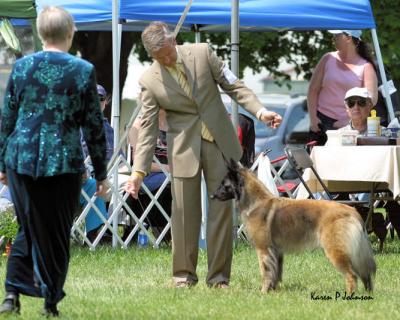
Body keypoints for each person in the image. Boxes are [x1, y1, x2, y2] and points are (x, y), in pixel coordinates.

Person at [124, 21, 282, 288]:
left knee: (221, 213)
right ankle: (183, 276)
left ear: (173, 40)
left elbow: (235, 86)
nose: (165, 59)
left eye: (167, 52)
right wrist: (138, 172)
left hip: (218, 144)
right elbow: (148, 129)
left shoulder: (202, 53)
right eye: (158, 57)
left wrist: (260, 111)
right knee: (184, 214)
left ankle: (219, 278)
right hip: (184, 149)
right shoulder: (149, 80)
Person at [0, 6, 107, 316]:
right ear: (70, 33)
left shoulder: (21, 67)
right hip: (63, 161)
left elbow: (7, 118)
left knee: (29, 227)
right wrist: (100, 172)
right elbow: (93, 125)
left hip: (22, 160)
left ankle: (11, 294)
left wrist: (2, 165)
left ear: (41, 33)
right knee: (58, 230)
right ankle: (49, 301)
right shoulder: (83, 70)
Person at [307, 29, 378, 145]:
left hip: (348, 128)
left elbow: (371, 99)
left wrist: (349, 121)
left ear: (348, 38)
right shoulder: (327, 58)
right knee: (314, 162)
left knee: (342, 161)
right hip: (320, 123)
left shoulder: (366, 66)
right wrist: (313, 118)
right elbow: (312, 90)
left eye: (336, 35)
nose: (333, 38)